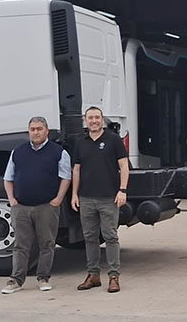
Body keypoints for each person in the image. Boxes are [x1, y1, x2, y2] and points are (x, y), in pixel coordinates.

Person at [1, 116, 71, 294]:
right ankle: (16, 280)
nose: (36, 132)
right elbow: (8, 178)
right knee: (20, 245)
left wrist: (58, 199)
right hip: (21, 207)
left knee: (46, 244)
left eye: (39, 129)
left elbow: (66, 177)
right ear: (29, 131)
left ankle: (43, 277)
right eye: (32, 129)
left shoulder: (58, 152)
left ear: (46, 131)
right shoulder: (18, 152)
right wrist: (12, 200)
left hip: (46, 207)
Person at [72, 106, 130, 293]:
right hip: (86, 198)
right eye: (90, 118)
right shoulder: (80, 142)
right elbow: (76, 170)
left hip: (109, 198)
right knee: (90, 238)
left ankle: (113, 276)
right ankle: (93, 275)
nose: (94, 121)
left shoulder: (113, 140)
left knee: (110, 237)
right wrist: (74, 194)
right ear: (85, 121)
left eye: (97, 117)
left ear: (102, 119)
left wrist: (122, 190)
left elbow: (124, 166)